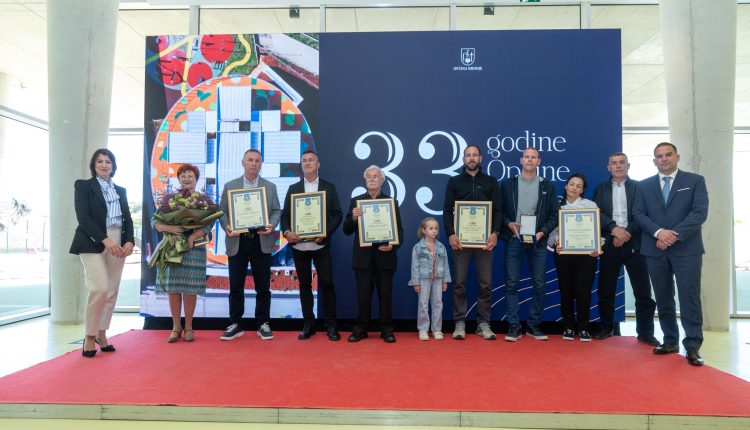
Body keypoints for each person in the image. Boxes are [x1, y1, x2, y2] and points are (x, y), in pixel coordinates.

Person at [634, 142, 708, 366]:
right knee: (663, 296)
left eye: (668, 154)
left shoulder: (695, 181)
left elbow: (699, 212)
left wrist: (673, 235)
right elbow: (638, 214)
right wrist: (659, 233)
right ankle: (670, 341)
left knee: (689, 297)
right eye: (659, 156)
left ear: (677, 157)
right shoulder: (644, 185)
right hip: (654, 249)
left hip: (687, 249)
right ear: (654, 161)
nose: (664, 159)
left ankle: (692, 345)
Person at [70, 148, 134, 357]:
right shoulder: (84, 186)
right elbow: (83, 217)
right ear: (94, 165)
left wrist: (129, 241)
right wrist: (105, 240)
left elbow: (127, 219)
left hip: (118, 240)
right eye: (100, 161)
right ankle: (89, 336)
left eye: (108, 161)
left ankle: (102, 333)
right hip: (92, 240)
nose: (104, 165)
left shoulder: (120, 191)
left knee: (112, 290)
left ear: (113, 166)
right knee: (100, 287)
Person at [592, 152, 658, 345]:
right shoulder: (600, 189)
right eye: (614, 163)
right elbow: (598, 213)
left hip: (635, 244)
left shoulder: (640, 187)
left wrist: (626, 232)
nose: (618, 166)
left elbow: (642, 214)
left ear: (628, 166)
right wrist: (615, 229)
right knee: (606, 290)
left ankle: (645, 332)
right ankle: (607, 327)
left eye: (622, 162)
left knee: (643, 292)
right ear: (609, 168)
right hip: (610, 243)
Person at [218, 149, 281, 341]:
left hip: (261, 240)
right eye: (250, 160)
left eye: (257, 160)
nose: (254, 163)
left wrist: (271, 225)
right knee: (236, 286)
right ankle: (235, 324)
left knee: (263, 287)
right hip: (237, 241)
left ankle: (263, 323)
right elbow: (222, 212)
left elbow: (276, 211)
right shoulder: (230, 186)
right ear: (243, 163)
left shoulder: (270, 187)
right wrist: (227, 226)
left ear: (261, 164)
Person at [280, 150, 344, 341]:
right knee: (304, 285)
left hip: (320, 245)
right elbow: (285, 216)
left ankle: (331, 325)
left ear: (318, 164)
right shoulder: (293, 188)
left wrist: (326, 232)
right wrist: (287, 232)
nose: (307, 163)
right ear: (301, 165)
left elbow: (337, 214)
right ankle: (308, 324)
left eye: (311, 160)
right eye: (304, 161)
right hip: (299, 246)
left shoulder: (329, 187)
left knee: (327, 284)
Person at [442, 144, 502, 341]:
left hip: (485, 242)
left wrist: (495, 233)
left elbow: (498, 211)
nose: (471, 158)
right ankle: (460, 322)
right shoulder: (454, 182)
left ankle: (483, 323)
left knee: (486, 284)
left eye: (475, 155)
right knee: (459, 283)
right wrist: (451, 234)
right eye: (468, 155)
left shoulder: (491, 181)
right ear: (463, 159)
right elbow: (447, 210)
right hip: (461, 242)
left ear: (481, 158)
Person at [499, 147, 559, 342]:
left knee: (539, 284)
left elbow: (554, 214)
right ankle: (513, 326)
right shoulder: (507, 184)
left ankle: (533, 325)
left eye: (534, 157)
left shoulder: (547, 185)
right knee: (511, 284)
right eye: (527, 157)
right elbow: (498, 211)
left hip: (538, 240)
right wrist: (508, 224)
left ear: (539, 161)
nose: (530, 160)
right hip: (514, 238)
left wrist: (543, 232)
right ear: (521, 160)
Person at [152, 164, 213, 343]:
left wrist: (194, 235)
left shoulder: (203, 200)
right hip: (173, 247)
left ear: (196, 179)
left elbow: (209, 224)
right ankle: (175, 327)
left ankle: (189, 327)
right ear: (178, 179)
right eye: (183, 176)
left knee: (190, 289)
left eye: (190, 176)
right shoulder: (170, 199)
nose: (187, 179)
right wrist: (171, 228)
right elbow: (154, 221)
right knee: (173, 288)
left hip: (194, 248)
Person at [343, 165, 404, 343]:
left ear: (382, 180)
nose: (371, 179)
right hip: (363, 258)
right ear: (365, 180)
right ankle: (361, 329)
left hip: (385, 256)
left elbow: (399, 231)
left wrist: (393, 244)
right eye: (368, 176)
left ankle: (386, 330)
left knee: (385, 296)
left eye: (375, 176)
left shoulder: (391, 202)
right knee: (363, 296)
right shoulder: (356, 202)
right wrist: (353, 218)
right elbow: (346, 229)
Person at [547, 174, 600, 341]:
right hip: (564, 254)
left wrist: (596, 246)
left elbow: (596, 230)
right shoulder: (556, 206)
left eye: (578, 186)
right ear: (566, 186)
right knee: (566, 291)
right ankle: (568, 327)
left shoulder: (590, 205)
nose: (574, 188)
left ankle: (584, 328)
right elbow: (551, 231)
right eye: (571, 184)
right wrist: (556, 243)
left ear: (582, 190)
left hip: (586, 256)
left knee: (583, 291)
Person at [409, 217, 452, 341]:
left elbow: (445, 265)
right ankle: (423, 329)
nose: (434, 231)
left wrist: (445, 281)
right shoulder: (418, 247)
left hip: (438, 279)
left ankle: (437, 329)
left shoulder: (441, 247)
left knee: (438, 303)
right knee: (423, 304)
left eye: (436, 228)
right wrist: (416, 282)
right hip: (423, 280)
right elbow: (414, 266)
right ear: (423, 230)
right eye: (431, 228)